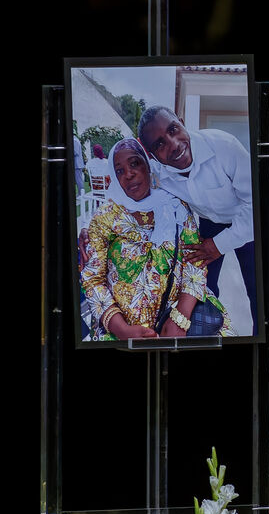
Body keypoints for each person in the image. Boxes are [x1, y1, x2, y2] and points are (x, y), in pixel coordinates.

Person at [79, 138, 229, 341]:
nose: (129, 174)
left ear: (148, 165)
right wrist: (121, 329)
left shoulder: (176, 207)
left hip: (181, 322)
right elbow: (92, 279)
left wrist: (180, 319)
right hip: (120, 331)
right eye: (120, 171)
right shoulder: (105, 217)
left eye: (135, 163)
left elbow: (195, 262)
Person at [137, 106, 256, 333]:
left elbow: (257, 204)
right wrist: (91, 230)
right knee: (201, 288)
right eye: (159, 144)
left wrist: (219, 245)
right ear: (151, 155)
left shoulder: (224, 146)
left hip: (247, 216)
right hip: (209, 221)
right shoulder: (156, 172)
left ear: (182, 123)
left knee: (257, 289)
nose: (173, 144)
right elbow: (126, 184)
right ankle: (207, 331)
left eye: (173, 129)